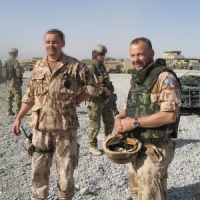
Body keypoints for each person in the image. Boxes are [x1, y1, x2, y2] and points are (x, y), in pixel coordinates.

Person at [12, 29, 100, 200]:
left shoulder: (75, 66)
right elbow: (30, 96)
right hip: (40, 129)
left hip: (65, 130)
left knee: (66, 174)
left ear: (62, 44)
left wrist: (76, 101)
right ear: (44, 44)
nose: (51, 45)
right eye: (48, 42)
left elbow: (94, 86)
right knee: (38, 172)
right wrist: (19, 117)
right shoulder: (38, 66)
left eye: (55, 42)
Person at [114, 37, 182, 200]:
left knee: (150, 195)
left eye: (140, 55)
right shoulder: (137, 79)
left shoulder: (164, 78)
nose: (135, 59)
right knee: (137, 193)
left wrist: (134, 122)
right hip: (135, 146)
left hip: (154, 148)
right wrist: (119, 119)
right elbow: (128, 107)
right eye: (132, 55)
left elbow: (170, 115)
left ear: (151, 53)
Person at [87, 44, 119, 156]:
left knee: (110, 122)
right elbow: (87, 85)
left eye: (103, 54)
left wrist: (111, 94)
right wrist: (103, 89)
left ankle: (108, 143)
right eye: (100, 54)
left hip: (106, 101)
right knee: (95, 125)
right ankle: (92, 145)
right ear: (95, 54)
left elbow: (106, 82)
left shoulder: (101, 67)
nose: (102, 56)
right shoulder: (90, 67)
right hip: (96, 101)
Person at [2, 48, 23, 116]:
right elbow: (19, 73)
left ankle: (9, 111)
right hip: (15, 81)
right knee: (18, 95)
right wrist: (19, 77)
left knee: (9, 96)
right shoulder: (15, 62)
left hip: (8, 81)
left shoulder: (5, 62)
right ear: (15, 54)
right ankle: (18, 111)